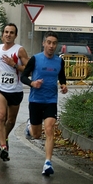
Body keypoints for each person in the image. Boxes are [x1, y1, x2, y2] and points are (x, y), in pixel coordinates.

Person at [21, 31, 68, 175]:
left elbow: (62, 77)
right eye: (49, 42)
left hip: (50, 100)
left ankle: (48, 162)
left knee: (49, 129)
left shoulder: (59, 61)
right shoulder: (35, 59)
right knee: (36, 135)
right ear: (44, 43)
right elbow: (23, 77)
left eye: (54, 43)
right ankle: (30, 128)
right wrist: (32, 83)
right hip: (35, 100)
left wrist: (64, 85)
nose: (51, 46)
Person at [0, 23, 30, 161]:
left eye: (11, 32)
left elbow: (28, 69)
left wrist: (14, 65)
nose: (8, 34)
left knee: (11, 120)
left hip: (15, 89)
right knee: (1, 116)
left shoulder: (19, 50)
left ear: (15, 35)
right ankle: (3, 147)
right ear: (2, 34)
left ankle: (4, 137)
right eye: (6, 32)